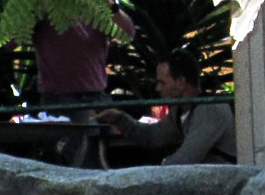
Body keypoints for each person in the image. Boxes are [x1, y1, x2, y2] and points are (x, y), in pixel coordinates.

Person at [31, 3, 135, 166]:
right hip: (60, 101)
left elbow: (127, 34)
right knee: (76, 159)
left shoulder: (95, 5)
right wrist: (34, 9)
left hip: (97, 98)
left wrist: (110, 5)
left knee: (102, 155)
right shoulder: (43, 3)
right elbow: (8, 42)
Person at [97, 48, 238, 165]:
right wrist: (119, 119)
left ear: (181, 82)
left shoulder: (210, 110)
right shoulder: (180, 112)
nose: (158, 88)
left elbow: (185, 160)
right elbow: (151, 136)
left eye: (162, 83)